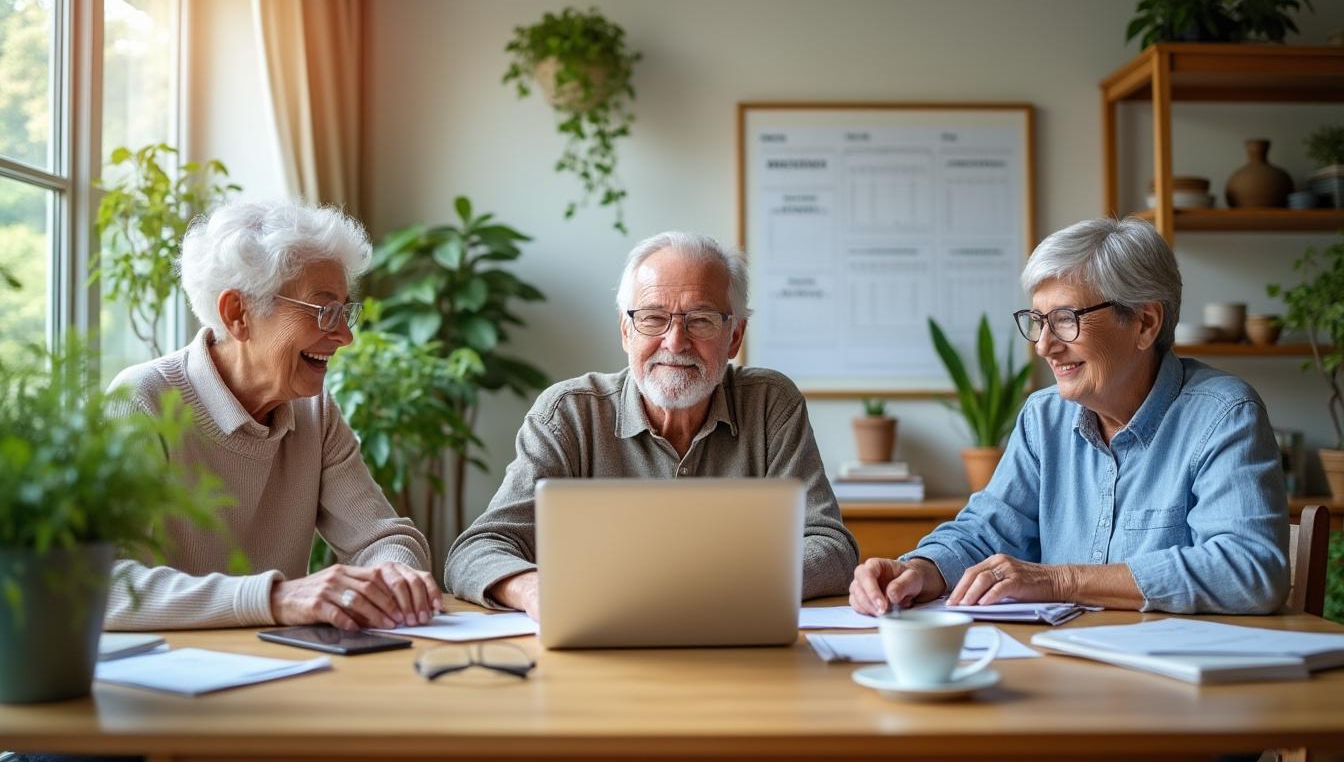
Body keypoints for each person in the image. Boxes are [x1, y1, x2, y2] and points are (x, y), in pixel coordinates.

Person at [850, 216, 1289, 617]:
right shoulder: (1044, 418)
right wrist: (919, 570)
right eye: (1038, 321)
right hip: (1059, 663)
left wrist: (1059, 581)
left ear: (1145, 323)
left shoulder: (1224, 415)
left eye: (1064, 319)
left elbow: (1250, 569)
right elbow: (986, 531)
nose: (1044, 345)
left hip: (1177, 672)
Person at [445, 231, 858, 619]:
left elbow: (832, 547)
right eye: (653, 318)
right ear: (626, 332)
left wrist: (721, 584)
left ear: (734, 336)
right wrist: (538, 591)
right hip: (600, 644)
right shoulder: (568, 415)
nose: (675, 342)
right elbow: (477, 550)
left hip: (738, 640)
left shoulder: (771, 405)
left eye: (700, 320)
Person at [106, 200, 439, 632]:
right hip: (169, 667)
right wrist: (274, 598)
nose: (345, 336)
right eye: (324, 311)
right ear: (238, 314)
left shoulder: (314, 412)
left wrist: (392, 576)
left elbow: (382, 537)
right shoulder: (143, 401)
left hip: (284, 662)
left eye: (344, 311)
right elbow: (101, 584)